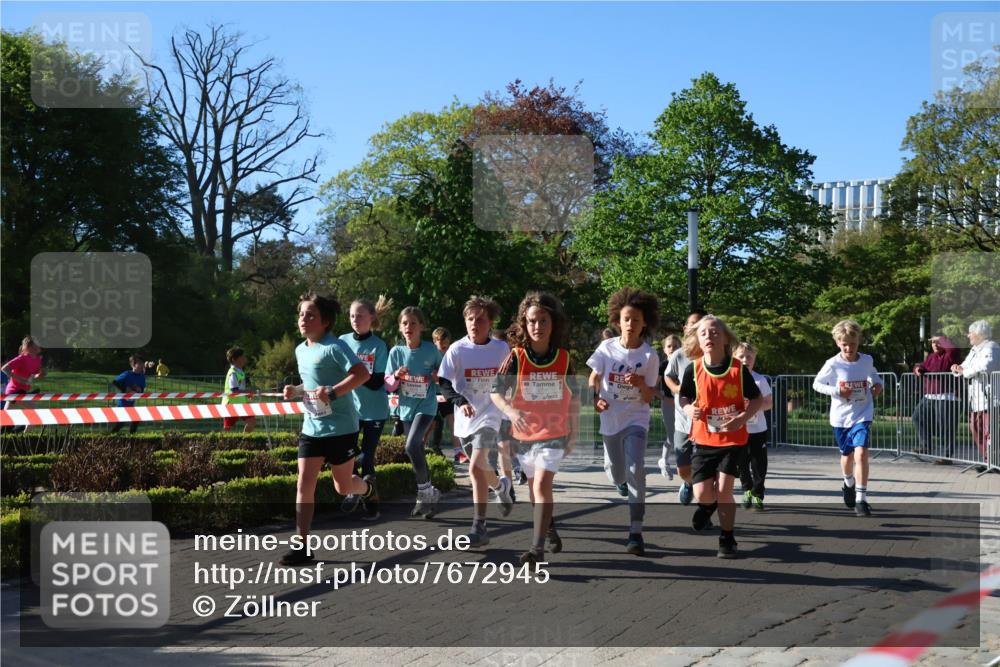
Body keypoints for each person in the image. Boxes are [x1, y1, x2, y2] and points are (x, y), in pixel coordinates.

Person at [280, 292, 375, 566]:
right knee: (304, 483)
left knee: (343, 487)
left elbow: (362, 375)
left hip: (341, 428)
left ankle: (367, 488)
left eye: (310, 315)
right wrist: (295, 390)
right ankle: (302, 545)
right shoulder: (300, 349)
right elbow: (311, 383)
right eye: (301, 314)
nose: (303, 319)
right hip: (312, 427)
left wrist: (333, 391)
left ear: (325, 322)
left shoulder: (335, 347)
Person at [492, 291, 579, 567]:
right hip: (524, 436)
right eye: (532, 321)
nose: (537, 326)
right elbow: (495, 391)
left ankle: (536, 549)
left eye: (543, 320)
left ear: (553, 324)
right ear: (524, 324)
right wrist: (510, 410)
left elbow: (575, 399)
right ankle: (549, 525)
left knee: (542, 485)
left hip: (554, 434)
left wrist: (573, 434)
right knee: (534, 491)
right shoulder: (516, 358)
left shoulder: (564, 359)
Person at [679, 315, 762, 559]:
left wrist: (741, 418)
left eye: (715, 332)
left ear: (726, 338)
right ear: (697, 339)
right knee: (702, 493)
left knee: (725, 490)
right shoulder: (692, 369)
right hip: (704, 439)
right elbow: (683, 397)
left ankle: (727, 537)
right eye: (704, 333)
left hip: (733, 440)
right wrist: (687, 409)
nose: (709, 336)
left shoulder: (737, 369)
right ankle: (707, 506)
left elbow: (756, 399)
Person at [587, 287, 661, 556]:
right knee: (618, 472)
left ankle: (635, 531)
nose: (630, 324)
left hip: (636, 419)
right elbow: (593, 378)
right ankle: (618, 480)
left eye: (636, 320)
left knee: (635, 468)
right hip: (610, 419)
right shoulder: (606, 348)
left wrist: (641, 383)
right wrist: (596, 398)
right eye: (626, 319)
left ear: (644, 324)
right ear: (617, 321)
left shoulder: (650, 356)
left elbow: (649, 395)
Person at [438, 296, 513, 547]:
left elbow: (508, 379)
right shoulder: (457, 350)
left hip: (491, 414)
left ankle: (479, 527)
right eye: (470, 319)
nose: (474, 324)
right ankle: (501, 487)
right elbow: (444, 382)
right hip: (465, 418)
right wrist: (461, 401)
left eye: (480, 320)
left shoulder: (501, 349)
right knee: (482, 470)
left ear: (490, 322)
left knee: (475, 467)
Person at [812, 319, 884, 517]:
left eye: (852, 344)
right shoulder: (833, 363)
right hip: (841, 417)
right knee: (847, 456)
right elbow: (817, 384)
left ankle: (861, 499)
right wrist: (837, 391)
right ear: (837, 343)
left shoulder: (866, 360)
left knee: (861, 453)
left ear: (858, 341)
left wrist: (878, 385)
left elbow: (875, 377)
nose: (849, 348)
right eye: (844, 344)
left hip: (863, 413)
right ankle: (848, 482)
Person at [384, 307, 445, 518]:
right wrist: (396, 376)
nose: (408, 327)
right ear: (400, 328)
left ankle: (423, 493)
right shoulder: (396, 352)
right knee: (415, 450)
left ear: (422, 326)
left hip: (427, 407)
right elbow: (388, 386)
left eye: (413, 323)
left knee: (411, 445)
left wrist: (437, 375)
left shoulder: (430, 350)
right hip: (406, 409)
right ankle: (430, 493)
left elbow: (444, 373)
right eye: (404, 323)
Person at [339, 296, 394, 520]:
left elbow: (376, 382)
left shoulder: (379, 346)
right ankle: (354, 489)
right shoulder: (341, 341)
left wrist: (353, 375)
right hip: (349, 410)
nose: (355, 319)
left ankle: (372, 506)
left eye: (360, 315)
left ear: (371, 317)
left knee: (367, 457)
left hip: (375, 411)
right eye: (352, 316)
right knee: (347, 456)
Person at [664, 310, 706, 505]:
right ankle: (688, 484)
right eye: (693, 324)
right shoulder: (679, 355)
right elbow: (668, 376)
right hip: (683, 420)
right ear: (686, 328)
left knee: (704, 469)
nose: (696, 327)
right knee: (683, 468)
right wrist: (676, 389)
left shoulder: (712, 353)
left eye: (700, 323)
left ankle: (705, 504)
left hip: (706, 422)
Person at [951, 320, 1000, 470]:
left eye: (971, 332)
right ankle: (988, 460)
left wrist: (964, 371)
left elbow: (986, 366)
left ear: (979, 334)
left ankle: (994, 462)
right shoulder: (974, 349)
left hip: (990, 397)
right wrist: (957, 368)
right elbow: (965, 365)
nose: (968, 335)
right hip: (977, 398)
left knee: (990, 431)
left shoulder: (992, 347)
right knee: (975, 427)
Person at [734, 343, 773, 511]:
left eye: (749, 357)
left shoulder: (760, 379)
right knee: (741, 463)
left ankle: (758, 494)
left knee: (759, 463)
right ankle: (746, 490)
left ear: (754, 359)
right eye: (741, 356)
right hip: (739, 429)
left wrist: (752, 406)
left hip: (758, 429)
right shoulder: (731, 380)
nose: (745, 360)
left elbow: (768, 403)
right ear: (734, 358)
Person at [912, 335, 961, 463]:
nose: (935, 345)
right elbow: (921, 365)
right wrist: (917, 369)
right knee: (917, 417)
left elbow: (953, 349)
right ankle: (926, 446)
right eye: (933, 343)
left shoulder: (950, 355)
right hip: (929, 396)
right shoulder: (931, 357)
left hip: (947, 397)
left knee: (946, 427)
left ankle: (946, 456)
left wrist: (941, 337)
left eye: (938, 342)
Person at [491, 328, 523, 486]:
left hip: (520, 411)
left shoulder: (516, 359)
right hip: (500, 410)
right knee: (502, 446)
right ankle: (507, 484)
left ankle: (519, 469)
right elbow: (495, 390)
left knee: (512, 446)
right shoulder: (494, 360)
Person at [429, 327, 464, 462]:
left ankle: (458, 452)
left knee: (453, 421)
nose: (444, 350)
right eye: (441, 348)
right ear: (434, 343)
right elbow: (432, 375)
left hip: (448, 393)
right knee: (431, 423)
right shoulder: (430, 355)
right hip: (433, 394)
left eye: (446, 346)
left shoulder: (452, 354)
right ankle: (429, 448)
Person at [1, 336, 45, 434]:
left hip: (23, 392)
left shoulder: (37, 359)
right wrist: (18, 378)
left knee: (4, 421)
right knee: (36, 414)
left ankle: (20, 437)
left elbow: (34, 375)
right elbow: (4, 368)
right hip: (14, 392)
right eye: (37, 343)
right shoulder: (22, 358)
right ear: (30, 347)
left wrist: (40, 375)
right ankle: (24, 437)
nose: (40, 344)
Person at [656, 334, 682, 480]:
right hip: (669, 404)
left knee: (685, 435)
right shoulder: (663, 365)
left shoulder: (684, 362)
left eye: (676, 346)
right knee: (672, 436)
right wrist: (665, 398)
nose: (672, 349)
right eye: (669, 346)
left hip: (684, 404)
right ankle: (664, 461)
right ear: (665, 349)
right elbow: (652, 387)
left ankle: (685, 465)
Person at [222, 347, 256, 434]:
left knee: (251, 422)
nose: (245, 359)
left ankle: (243, 442)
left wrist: (247, 394)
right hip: (231, 405)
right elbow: (234, 391)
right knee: (227, 430)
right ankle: (221, 445)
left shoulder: (240, 371)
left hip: (242, 404)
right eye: (242, 357)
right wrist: (248, 391)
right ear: (234, 359)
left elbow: (240, 389)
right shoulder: (232, 373)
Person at [110, 354, 146, 434]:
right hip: (122, 403)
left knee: (136, 420)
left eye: (143, 364)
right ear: (133, 365)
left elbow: (142, 389)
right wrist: (125, 389)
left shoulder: (142, 377)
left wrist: (139, 390)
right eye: (139, 364)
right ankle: (111, 436)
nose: (142, 366)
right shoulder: (127, 374)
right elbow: (114, 382)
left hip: (131, 403)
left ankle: (132, 437)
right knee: (122, 422)